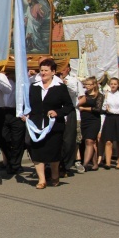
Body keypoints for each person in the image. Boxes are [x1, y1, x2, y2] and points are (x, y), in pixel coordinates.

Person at [25, 58, 74, 189]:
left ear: (53, 72)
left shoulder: (60, 88)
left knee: (53, 152)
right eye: (41, 70)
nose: (43, 73)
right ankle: (42, 180)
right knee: (37, 152)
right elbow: (28, 105)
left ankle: (55, 173)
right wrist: (26, 115)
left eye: (46, 70)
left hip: (54, 126)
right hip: (36, 125)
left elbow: (69, 107)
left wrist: (57, 112)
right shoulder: (34, 87)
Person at [0, 68, 25, 174]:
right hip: (2, 112)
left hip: (17, 112)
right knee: (4, 138)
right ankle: (10, 161)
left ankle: (16, 164)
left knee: (18, 140)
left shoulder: (20, 81)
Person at [59, 64, 85, 175]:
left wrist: (66, 85)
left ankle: (76, 161)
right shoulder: (53, 80)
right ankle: (60, 164)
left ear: (68, 69)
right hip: (58, 113)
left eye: (63, 69)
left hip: (72, 113)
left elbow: (79, 96)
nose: (61, 71)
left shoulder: (74, 81)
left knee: (74, 140)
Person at [101, 77, 119, 170]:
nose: (113, 85)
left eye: (115, 84)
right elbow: (103, 107)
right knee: (108, 141)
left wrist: (113, 111)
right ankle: (108, 163)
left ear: (118, 85)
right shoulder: (107, 95)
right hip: (109, 119)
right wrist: (105, 103)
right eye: (112, 84)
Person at [78, 76, 103, 170]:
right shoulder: (83, 95)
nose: (87, 86)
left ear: (94, 85)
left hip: (94, 120)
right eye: (86, 84)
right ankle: (95, 163)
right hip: (84, 120)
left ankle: (84, 164)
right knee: (88, 142)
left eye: (89, 84)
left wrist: (84, 108)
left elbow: (98, 109)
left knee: (90, 140)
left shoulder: (99, 95)